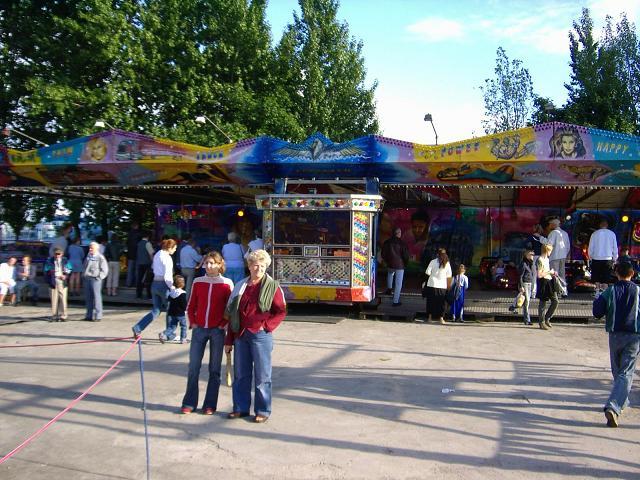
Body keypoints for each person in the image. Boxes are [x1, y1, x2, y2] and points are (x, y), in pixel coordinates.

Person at [224, 249, 286, 423]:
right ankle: (240, 408)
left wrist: (265, 326)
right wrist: (229, 340)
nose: (258, 268)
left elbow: (280, 312)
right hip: (241, 335)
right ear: (249, 266)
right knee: (241, 374)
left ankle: (263, 410)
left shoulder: (272, 287)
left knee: (262, 376)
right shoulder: (240, 286)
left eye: (261, 265)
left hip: (260, 336)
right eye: (254, 265)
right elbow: (233, 314)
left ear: (266, 266)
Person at [180, 252, 234, 415]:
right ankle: (189, 402)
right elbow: (191, 305)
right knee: (193, 367)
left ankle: (210, 404)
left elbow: (230, 308)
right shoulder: (198, 282)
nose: (209, 266)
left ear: (219, 265)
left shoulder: (226, 283)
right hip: (199, 330)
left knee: (214, 369)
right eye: (206, 263)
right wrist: (193, 322)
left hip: (217, 331)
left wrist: (223, 324)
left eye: (212, 263)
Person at [593, 262, 640, 428]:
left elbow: (597, 312)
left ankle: (618, 402)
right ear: (632, 273)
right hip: (634, 335)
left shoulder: (610, 291)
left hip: (615, 335)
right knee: (625, 373)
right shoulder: (638, 291)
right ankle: (616, 404)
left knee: (618, 370)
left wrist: (597, 299)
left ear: (616, 273)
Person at [131, 238, 177, 337]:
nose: (175, 250)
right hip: (164, 285)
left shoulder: (157, 254)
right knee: (171, 309)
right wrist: (172, 287)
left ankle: (138, 327)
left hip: (155, 283)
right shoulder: (167, 258)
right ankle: (168, 334)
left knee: (156, 310)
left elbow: (153, 268)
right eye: (174, 248)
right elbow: (167, 275)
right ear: (170, 247)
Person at [588, 218, 618, 296]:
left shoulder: (595, 234)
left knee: (596, 276)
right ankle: (605, 294)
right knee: (606, 277)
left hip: (596, 258)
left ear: (600, 225)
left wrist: (590, 256)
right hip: (608, 258)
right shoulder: (612, 234)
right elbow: (615, 247)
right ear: (607, 225)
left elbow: (591, 246)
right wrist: (615, 258)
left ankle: (597, 293)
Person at [381, 227, 409, 306]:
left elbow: (383, 254)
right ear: (398, 233)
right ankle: (395, 301)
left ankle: (389, 289)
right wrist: (405, 263)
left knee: (390, 274)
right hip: (400, 265)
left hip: (390, 264)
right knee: (398, 284)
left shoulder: (387, 242)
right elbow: (406, 256)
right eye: (400, 233)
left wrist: (387, 261)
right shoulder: (402, 243)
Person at [424, 248, 452, 324]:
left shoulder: (433, 262)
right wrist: (449, 287)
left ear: (437, 254)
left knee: (430, 302)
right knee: (441, 302)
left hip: (432, 284)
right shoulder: (447, 263)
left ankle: (429, 318)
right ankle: (441, 318)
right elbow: (449, 276)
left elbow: (427, 272)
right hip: (442, 286)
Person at [43, 248, 72, 322]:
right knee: (54, 299)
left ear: (62, 254)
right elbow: (46, 270)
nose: (57, 255)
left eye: (59, 254)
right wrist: (49, 279)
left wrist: (65, 275)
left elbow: (70, 269)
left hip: (62, 281)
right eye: (56, 254)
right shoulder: (49, 261)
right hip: (53, 280)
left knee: (63, 299)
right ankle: (54, 315)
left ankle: (64, 315)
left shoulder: (65, 260)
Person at [83, 241, 109, 322]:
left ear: (96, 249)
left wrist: (99, 277)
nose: (90, 249)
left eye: (92, 248)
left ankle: (98, 316)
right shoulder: (88, 256)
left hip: (95, 279)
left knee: (97, 297)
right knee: (88, 298)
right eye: (89, 248)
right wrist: (84, 274)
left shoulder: (100, 257)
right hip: (88, 278)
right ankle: (89, 315)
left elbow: (105, 269)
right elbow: (84, 265)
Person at [159, 275, 189, 344]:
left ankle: (163, 334)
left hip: (172, 313)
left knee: (172, 326)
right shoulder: (182, 293)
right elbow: (183, 304)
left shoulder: (171, 293)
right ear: (183, 284)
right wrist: (185, 310)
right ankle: (183, 339)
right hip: (180, 313)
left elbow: (169, 300)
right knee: (183, 326)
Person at [544, 219, 570, 297]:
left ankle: (556, 292)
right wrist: (565, 254)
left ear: (554, 225)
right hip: (563, 256)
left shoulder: (553, 233)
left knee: (555, 274)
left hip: (554, 256)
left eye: (550, 224)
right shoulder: (565, 233)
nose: (549, 226)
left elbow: (549, 244)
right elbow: (568, 246)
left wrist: (541, 239)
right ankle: (564, 291)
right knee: (562, 274)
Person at [536, 244, 558, 330]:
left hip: (549, 281)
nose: (551, 253)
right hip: (543, 282)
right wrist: (549, 272)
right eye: (550, 251)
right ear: (547, 251)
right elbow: (539, 275)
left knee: (555, 301)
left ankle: (547, 318)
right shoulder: (540, 260)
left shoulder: (547, 259)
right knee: (543, 303)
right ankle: (541, 322)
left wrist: (552, 273)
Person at [515, 250, 535, 326]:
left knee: (526, 301)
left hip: (529, 284)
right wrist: (521, 286)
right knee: (526, 302)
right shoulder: (523, 264)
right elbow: (520, 276)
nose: (532, 255)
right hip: (525, 284)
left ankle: (513, 306)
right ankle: (527, 320)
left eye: (533, 254)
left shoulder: (530, 263)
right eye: (531, 254)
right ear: (526, 255)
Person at [135, 231, 154, 299]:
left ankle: (138, 294)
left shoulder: (139, 243)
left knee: (139, 279)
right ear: (148, 236)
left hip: (140, 263)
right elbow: (151, 254)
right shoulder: (148, 244)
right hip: (147, 264)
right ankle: (149, 295)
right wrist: (153, 262)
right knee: (148, 280)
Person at [126, 222, 141, 287]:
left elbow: (127, 243)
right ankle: (136, 283)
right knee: (136, 270)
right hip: (137, 254)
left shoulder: (129, 234)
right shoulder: (138, 234)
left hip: (130, 254)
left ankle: (128, 283)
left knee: (130, 270)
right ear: (136, 226)